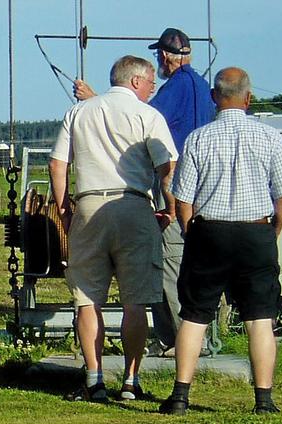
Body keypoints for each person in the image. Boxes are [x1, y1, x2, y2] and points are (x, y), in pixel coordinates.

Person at [160, 67, 282, 416]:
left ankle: (180, 396)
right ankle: (263, 400)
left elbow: (183, 196)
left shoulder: (198, 139)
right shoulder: (270, 138)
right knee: (259, 316)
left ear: (214, 97)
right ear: (249, 98)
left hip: (210, 230)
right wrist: (272, 231)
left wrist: (192, 231)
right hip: (255, 230)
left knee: (195, 314)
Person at [74, 28, 215, 356]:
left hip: (174, 188)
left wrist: (94, 101)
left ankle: (181, 341)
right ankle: (181, 338)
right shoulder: (200, 86)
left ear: (166, 56)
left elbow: (137, 119)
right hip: (197, 189)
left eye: (158, 58)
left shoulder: (175, 90)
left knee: (168, 262)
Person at [50, 55, 177, 402]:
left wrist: (63, 209)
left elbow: (57, 162)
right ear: (135, 81)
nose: (152, 90)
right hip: (134, 204)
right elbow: (167, 167)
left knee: (87, 299)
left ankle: (94, 378)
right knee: (136, 300)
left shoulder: (79, 112)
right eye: (150, 83)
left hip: (89, 202)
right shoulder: (147, 115)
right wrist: (168, 208)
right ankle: (131, 381)